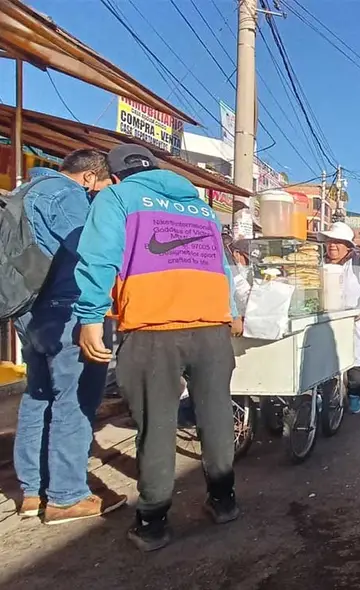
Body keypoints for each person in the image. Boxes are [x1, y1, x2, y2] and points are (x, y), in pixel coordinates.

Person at [73, 145, 241, 552]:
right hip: (212, 328)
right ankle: (224, 501)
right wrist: (232, 312)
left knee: (157, 425)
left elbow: (99, 258)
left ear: (114, 176)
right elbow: (221, 266)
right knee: (217, 417)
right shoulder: (199, 207)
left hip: (152, 329)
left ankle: (153, 522)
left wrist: (91, 319)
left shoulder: (116, 198)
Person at [8, 150, 125, 524]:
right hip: (67, 310)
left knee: (38, 394)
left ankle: (31, 491)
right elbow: (91, 253)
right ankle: (66, 497)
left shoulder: (26, 191)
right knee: (74, 400)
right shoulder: (69, 196)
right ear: (90, 177)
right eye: (103, 187)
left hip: (27, 310)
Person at [321, 222, 360, 414]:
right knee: (326, 363)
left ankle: (355, 395)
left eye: (338, 242)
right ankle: (329, 398)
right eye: (330, 241)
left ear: (348, 246)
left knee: (355, 365)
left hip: (355, 323)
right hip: (327, 323)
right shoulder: (319, 265)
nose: (332, 245)